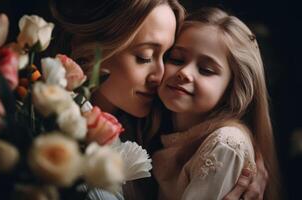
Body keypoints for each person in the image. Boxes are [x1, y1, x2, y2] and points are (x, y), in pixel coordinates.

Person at [49, 1, 268, 199]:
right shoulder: (49, 131)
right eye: (144, 57)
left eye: (166, 56)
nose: (161, 74)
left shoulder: (154, 127)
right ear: (91, 50)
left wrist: (238, 158)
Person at [151, 7, 280, 200]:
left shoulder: (224, 144)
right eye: (176, 59)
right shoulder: (158, 126)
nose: (184, 72)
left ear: (232, 89)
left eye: (206, 70)